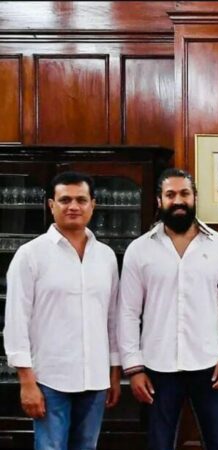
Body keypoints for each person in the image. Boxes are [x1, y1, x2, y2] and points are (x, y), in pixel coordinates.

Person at [118, 168, 218, 450]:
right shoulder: (140, 249)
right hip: (157, 367)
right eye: (171, 194)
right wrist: (134, 368)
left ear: (195, 198)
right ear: (159, 200)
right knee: (159, 444)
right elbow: (127, 312)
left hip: (210, 365)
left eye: (184, 193)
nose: (178, 200)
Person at [3, 171, 121, 449]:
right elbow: (17, 321)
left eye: (81, 200)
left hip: (95, 378)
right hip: (49, 378)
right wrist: (26, 382)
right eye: (65, 200)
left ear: (93, 204)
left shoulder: (106, 257)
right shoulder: (30, 255)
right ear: (51, 205)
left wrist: (115, 373)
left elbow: (112, 318)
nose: (73, 206)